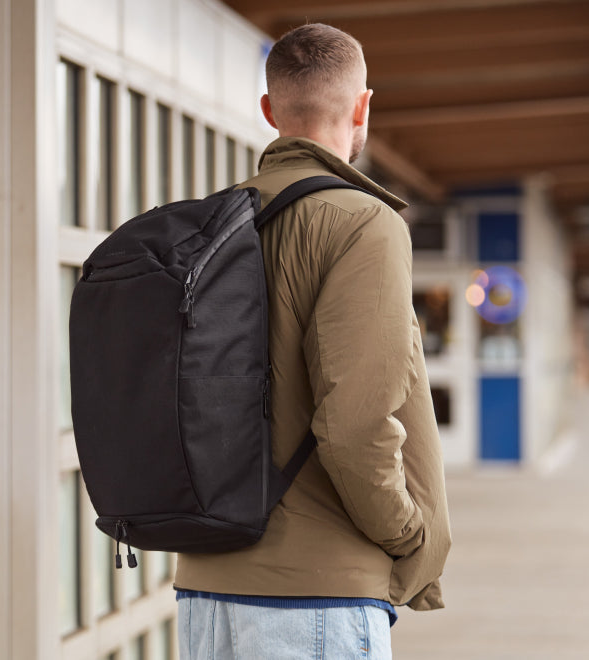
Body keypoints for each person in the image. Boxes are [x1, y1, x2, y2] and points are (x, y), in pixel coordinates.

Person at [173, 23, 452, 659]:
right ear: (362, 107)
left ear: (269, 111)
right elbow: (355, 426)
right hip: (318, 599)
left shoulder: (206, 227)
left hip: (205, 593)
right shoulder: (363, 222)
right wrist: (410, 535)